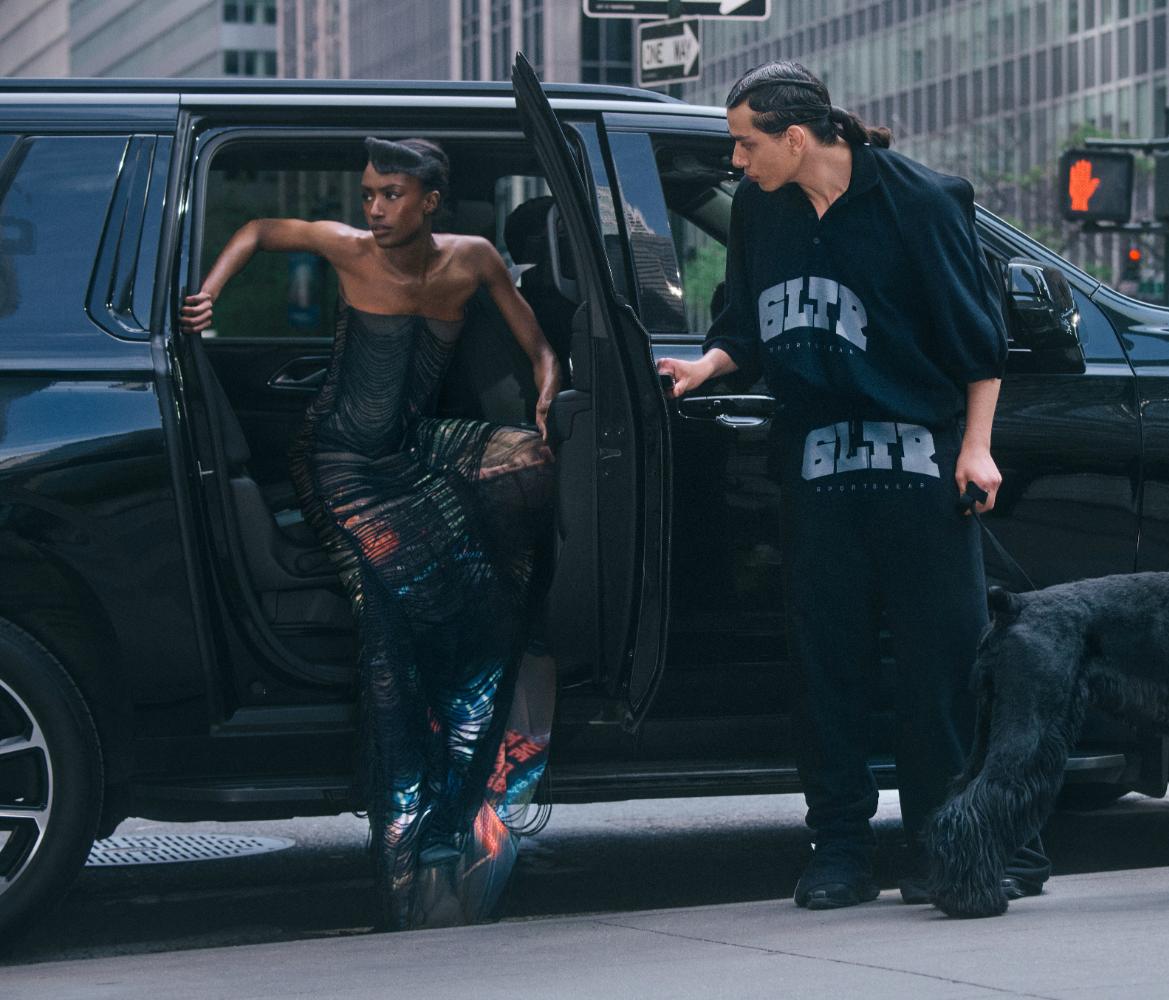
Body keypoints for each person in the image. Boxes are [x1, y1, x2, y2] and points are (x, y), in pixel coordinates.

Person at [657, 63, 1050, 909]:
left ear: (797, 138)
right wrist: (707, 365)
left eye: (746, 141)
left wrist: (976, 452)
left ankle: (943, 848)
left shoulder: (923, 201)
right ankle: (837, 850)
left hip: (920, 473)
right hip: (818, 473)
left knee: (936, 671)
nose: (736, 159)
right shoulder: (765, 207)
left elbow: (979, 343)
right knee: (825, 667)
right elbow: (746, 322)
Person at [181, 137, 562, 930]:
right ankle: (415, 831)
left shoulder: (475, 257)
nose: (376, 210)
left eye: (392, 195)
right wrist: (206, 296)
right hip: (339, 457)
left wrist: (549, 387)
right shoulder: (347, 247)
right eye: (368, 195)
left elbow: (536, 343)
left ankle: (511, 666)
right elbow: (259, 231)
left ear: (432, 201)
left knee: (526, 465)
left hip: (411, 446)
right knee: (401, 607)